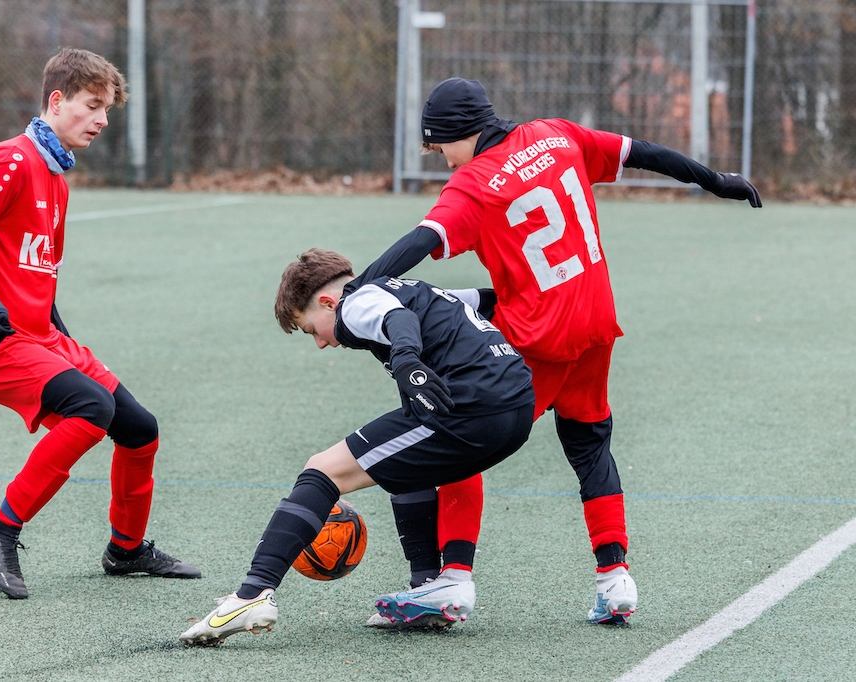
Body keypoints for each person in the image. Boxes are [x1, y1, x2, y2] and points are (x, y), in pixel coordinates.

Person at [367, 77, 763, 627]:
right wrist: (715, 181)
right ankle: (615, 578)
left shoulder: (472, 184)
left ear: (459, 134)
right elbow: (642, 153)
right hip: (596, 322)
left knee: (459, 434)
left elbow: (421, 241)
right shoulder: (556, 134)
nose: (441, 161)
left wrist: (360, 288)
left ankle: (452, 581)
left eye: (440, 147)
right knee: (590, 443)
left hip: (537, 337)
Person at [0, 48, 200, 600]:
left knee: (139, 428)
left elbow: (37, 271)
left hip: (39, 335)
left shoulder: (57, 174)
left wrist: (63, 338)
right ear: (57, 101)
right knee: (90, 409)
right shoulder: (12, 160)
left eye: (107, 110)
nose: (102, 120)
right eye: (92, 106)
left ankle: (125, 551)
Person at [178, 248, 535, 645]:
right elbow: (487, 299)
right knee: (403, 468)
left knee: (322, 470)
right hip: (517, 408)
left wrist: (407, 363)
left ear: (329, 303)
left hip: (472, 409)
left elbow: (397, 321)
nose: (319, 343)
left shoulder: (355, 301)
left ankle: (251, 595)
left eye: (312, 328)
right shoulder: (413, 288)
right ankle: (428, 588)